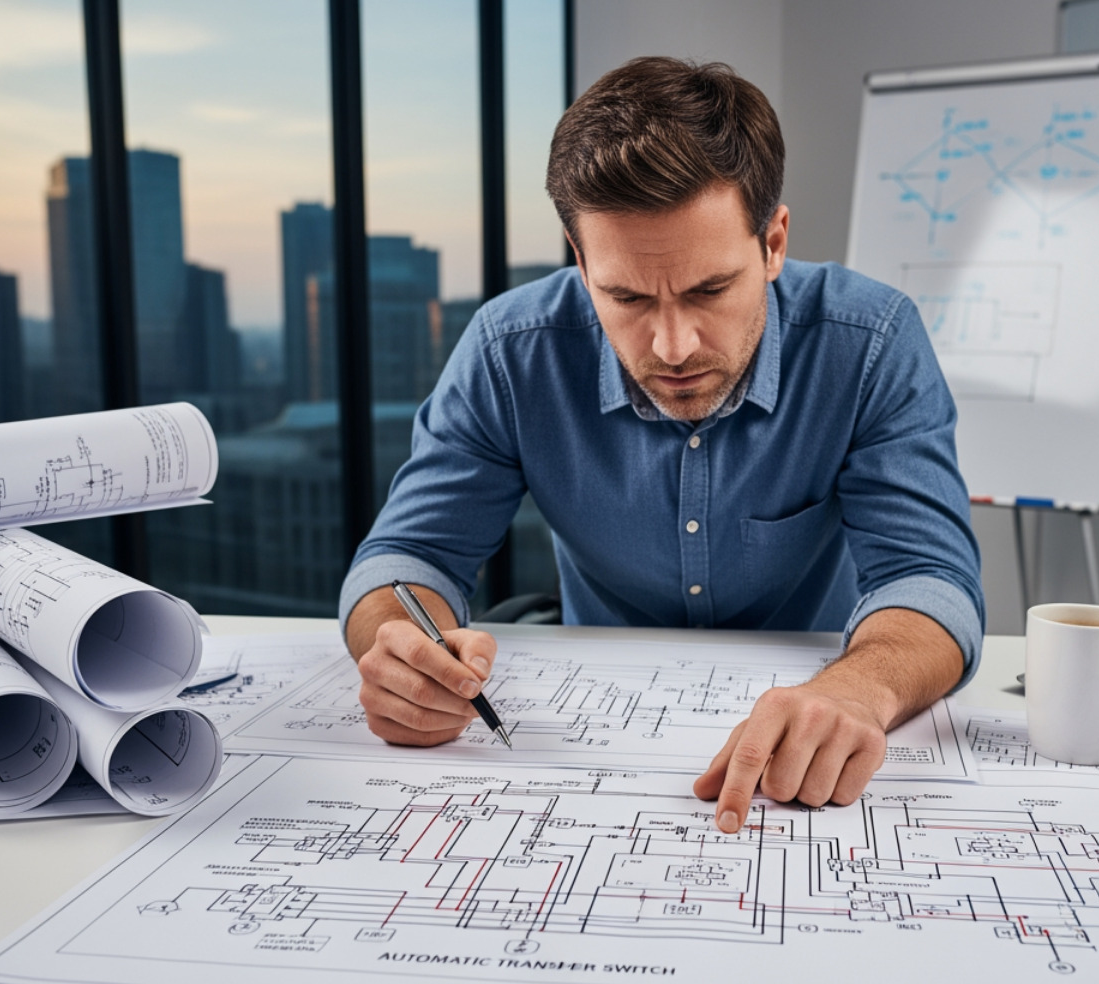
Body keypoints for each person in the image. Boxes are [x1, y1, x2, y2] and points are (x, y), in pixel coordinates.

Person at [340, 56, 983, 835]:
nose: (673, 346)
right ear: (580, 261)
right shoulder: (512, 351)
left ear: (773, 243)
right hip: (587, 751)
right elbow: (406, 556)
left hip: (813, 722)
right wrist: (401, 648)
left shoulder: (871, 342)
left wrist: (858, 691)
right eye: (627, 297)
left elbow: (930, 579)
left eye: (711, 290)